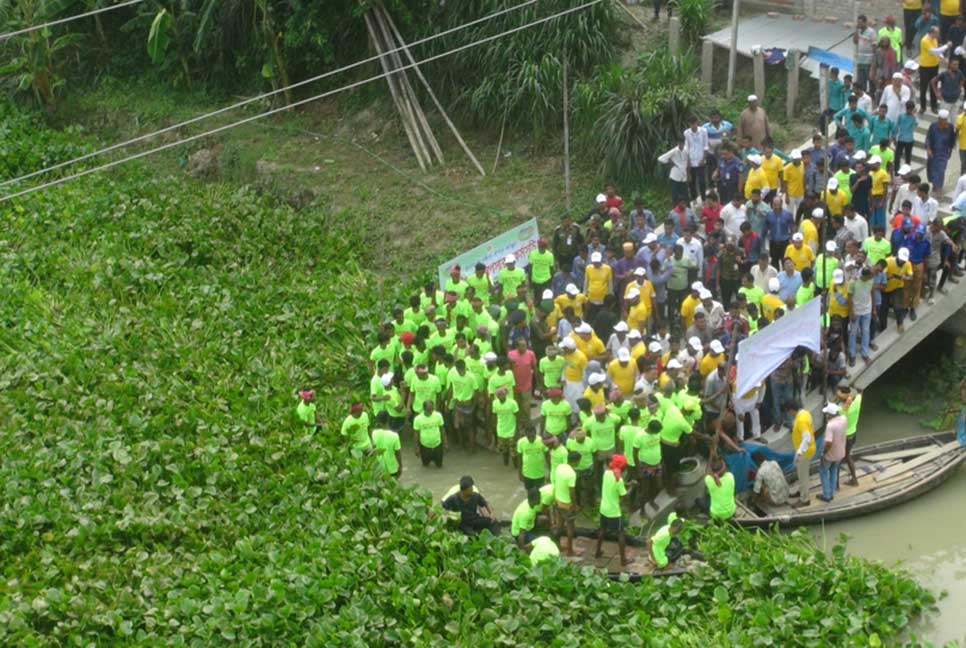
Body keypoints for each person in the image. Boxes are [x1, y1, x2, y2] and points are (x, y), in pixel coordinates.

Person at [596, 454, 629, 565]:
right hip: (614, 512)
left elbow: (614, 486)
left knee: (602, 530)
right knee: (621, 534)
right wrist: (632, 487)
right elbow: (624, 496)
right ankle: (623, 560)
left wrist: (626, 484)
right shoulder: (618, 480)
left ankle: (597, 552)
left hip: (603, 508)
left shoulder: (606, 473)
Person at [785, 399, 815, 507]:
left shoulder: (801, 420)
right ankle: (801, 491)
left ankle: (805, 499)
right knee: (801, 473)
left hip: (804, 452)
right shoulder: (805, 413)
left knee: (803, 476)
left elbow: (806, 437)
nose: (789, 414)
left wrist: (799, 453)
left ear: (792, 410)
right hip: (806, 449)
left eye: (789, 412)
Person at [553, 451, 581, 556]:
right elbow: (571, 491)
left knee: (559, 525)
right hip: (567, 503)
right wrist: (574, 505)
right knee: (570, 527)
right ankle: (570, 550)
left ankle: (558, 545)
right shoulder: (571, 474)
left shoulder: (560, 467)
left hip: (558, 499)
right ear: (576, 461)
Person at [819, 403, 848, 503]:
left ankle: (827, 495)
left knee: (823, 472)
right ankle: (831, 493)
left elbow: (828, 442)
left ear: (829, 415)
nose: (826, 415)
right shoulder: (844, 419)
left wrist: (823, 453)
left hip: (830, 455)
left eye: (827, 413)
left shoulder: (830, 426)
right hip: (840, 453)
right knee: (834, 471)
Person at [927, 109, 956, 200]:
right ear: (939, 119)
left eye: (946, 120)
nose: (944, 122)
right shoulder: (933, 126)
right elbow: (928, 138)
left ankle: (939, 188)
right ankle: (935, 185)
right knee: (931, 169)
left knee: (941, 170)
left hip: (943, 153)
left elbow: (952, 140)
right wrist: (928, 149)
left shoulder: (950, 127)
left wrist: (950, 150)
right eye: (942, 120)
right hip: (933, 152)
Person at [919, 26, 946, 113]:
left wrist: (942, 57)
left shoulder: (934, 39)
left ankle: (933, 106)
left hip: (934, 66)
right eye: (937, 33)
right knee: (923, 87)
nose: (938, 35)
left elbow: (937, 50)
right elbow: (934, 51)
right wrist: (946, 46)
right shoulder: (924, 40)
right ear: (932, 32)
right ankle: (923, 107)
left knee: (934, 85)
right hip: (925, 67)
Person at [516, 425, 548, 492]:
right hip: (527, 474)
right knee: (530, 493)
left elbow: (547, 456)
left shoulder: (542, 441)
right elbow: (519, 459)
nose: (530, 439)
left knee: (540, 493)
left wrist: (549, 471)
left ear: (535, 434)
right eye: (528, 437)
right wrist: (519, 473)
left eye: (532, 436)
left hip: (540, 474)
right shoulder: (520, 442)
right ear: (525, 435)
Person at [371, 411, 402, 478]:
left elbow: (373, 450)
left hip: (378, 469)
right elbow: (398, 453)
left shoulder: (373, 433)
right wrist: (400, 466)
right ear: (388, 420)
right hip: (392, 468)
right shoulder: (394, 435)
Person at [659, 138, 690, 204]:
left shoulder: (686, 150)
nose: (681, 145)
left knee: (685, 195)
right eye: (679, 143)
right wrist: (670, 162)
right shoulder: (674, 151)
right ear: (677, 143)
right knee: (675, 195)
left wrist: (688, 174)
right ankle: (675, 209)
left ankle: (687, 209)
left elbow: (688, 162)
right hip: (675, 177)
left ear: (684, 143)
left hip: (683, 177)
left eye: (682, 143)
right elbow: (660, 158)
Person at [853, 15, 877, 92]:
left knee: (870, 79)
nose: (859, 24)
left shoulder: (871, 32)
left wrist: (874, 61)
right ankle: (862, 93)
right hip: (860, 60)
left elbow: (874, 46)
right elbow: (855, 41)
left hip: (869, 60)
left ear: (865, 22)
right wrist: (856, 30)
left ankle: (872, 94)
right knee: (861, 80)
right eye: (858, 23)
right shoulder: (859, 31)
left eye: (860, 23)